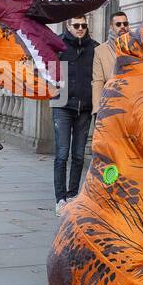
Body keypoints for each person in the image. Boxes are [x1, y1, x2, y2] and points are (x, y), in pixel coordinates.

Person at [53, 16, 97, 215]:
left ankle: (72, 196)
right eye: (76, 25)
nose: (80, 29)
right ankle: (60, 199)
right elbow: (47, 71)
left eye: (83, 26)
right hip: (62, 106)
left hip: (85, 108)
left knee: (79, 155)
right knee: (62, 154)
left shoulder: (94, 48)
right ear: (68, 26)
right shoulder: (58, 46)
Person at [91, 10, 129, 114]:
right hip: (111, 103)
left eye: (125, 24)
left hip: (132, 102)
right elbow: (98, 81)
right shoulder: (100, 51)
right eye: (118, 24)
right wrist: (97, 108)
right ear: (111, 27)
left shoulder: (136, 46)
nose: (122, 26)